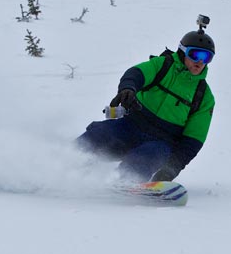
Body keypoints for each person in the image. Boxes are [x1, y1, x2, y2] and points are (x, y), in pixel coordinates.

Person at [77, 18, 216, 183]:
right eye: (195, 54)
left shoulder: (204, 97)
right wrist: (128, 88)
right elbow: (136, 73)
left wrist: (170, 170)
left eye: (207, 57)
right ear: (182, 51)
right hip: (131, 126)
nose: (200, 62)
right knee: (99, 135)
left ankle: (123, 184)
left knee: (144, 157)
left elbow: (193, 141)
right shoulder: (163, 66)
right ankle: (61, 164)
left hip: (161, 142)